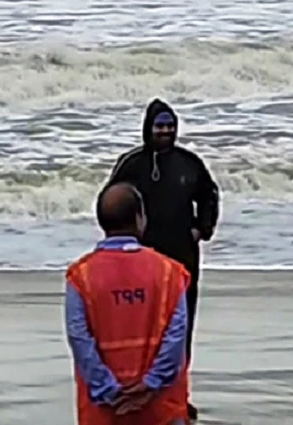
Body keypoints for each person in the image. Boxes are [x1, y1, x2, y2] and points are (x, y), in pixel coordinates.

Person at [104, 98, 220, 422]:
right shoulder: (131, 165)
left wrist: (203, 229)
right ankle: (138, 393)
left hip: (183, 262)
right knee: (145, 331)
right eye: (159, 126)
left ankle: (179, 398)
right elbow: (111, 203)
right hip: (141, 264)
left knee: (180, 330)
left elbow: (209, 195)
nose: (165, 132)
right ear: (148, 129)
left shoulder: (189, 163)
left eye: (169, 126)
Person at [65, 182, 193, 425]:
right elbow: (176, 340)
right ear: (139, 218)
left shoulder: (81, 276)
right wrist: (151, 384)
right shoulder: (170, 272)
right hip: (161, 408)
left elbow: (80, 340)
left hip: (104, 412)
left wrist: (109, 390)